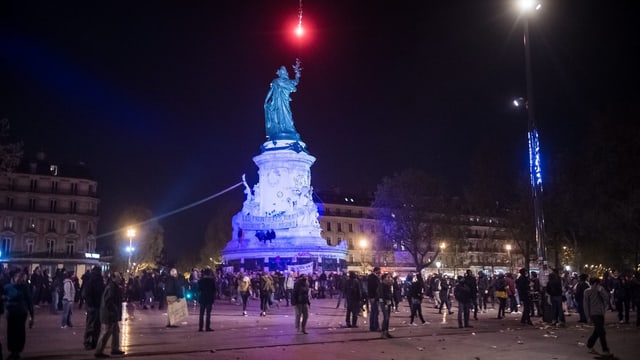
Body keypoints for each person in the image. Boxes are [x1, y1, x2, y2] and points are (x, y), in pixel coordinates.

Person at [264, 59, 302, 141]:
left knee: (288, 115)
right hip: (277, 103)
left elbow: (295, 82)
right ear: (280, 73)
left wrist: (297, 73)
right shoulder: (276, 81)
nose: (283, 71)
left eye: (284, 70)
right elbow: (271, 91)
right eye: (282, 70)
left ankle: (289, 130)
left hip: (284, 102)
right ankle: (280, 130)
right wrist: (266, 101)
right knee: (279, 116)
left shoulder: (287, 81)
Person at [3, 268, 35, 360]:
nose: (20, 279)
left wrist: (32, 316)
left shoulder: (24, 287)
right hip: (11, 312)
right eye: (18, 276)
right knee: (11, 332)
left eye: (22, 277)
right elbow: (4, 297)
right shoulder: (7, 287)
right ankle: (13, 350)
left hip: (21, 312)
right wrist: (5, 300)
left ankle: (17, 351)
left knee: (20, 331)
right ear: (14, 276)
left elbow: (29, 301)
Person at [95, 271, 125, 358]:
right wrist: (114, 311)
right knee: (106, 332)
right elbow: (108, 302)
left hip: (112, 314)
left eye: (120, 277)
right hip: (109, 314)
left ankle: (115, 349)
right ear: (113, 278)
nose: (120, 279)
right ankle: (98, 351)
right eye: (118, 277)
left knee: (115, 331)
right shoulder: (112, 287)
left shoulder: (114, 286)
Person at [584, 277, 611, 356]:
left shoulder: (601, 290)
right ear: (595, 283)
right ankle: (605, 350)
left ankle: (590, 345)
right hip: (594, 314)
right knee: (601, 332)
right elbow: (586, 305)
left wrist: (601, 291)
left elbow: (607, 298)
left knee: (597, 331)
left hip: (600, 313)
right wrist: (588, 316)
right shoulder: (587, 292)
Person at [83, 266, 105, 350]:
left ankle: (90, 342)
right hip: (95, 306)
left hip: (95, 306)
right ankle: (91, 342)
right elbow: (87, 294)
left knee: (92, 326)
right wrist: (90, 305)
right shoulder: (96, 280)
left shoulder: (93, 280)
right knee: (94, 326)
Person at [379, 273, 394, 339]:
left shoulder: (388, 285)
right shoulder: (382, 285)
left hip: (388, 302)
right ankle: (383, 333)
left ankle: (386, 332)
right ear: (384, 278)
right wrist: (385, 303)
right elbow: (382, 294)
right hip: (384, 302)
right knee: (386, 317)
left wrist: (392, 304)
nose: (389, 278)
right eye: (388, 277)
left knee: (388, 318)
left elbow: (390, 295)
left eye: (390, 277)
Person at [367, 267, 382, 332]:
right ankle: (375, 326)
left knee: (374, 312)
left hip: (374, 297)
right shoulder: (373, 278)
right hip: (374, 297)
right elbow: (372, 288)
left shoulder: (372, 277)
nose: (380, 273)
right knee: (375, 312)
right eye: (379, 271)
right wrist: (373, 297)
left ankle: (372, 326)